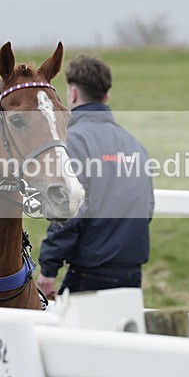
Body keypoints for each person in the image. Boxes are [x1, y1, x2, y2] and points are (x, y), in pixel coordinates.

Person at [36, 55, 154, 298]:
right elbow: (148, 208)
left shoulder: (73, 141)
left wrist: (48, 269)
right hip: (132, 274)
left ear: (74, 94)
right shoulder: (135, 145)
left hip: (88, 274)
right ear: (106, 96)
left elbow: (68, 211)